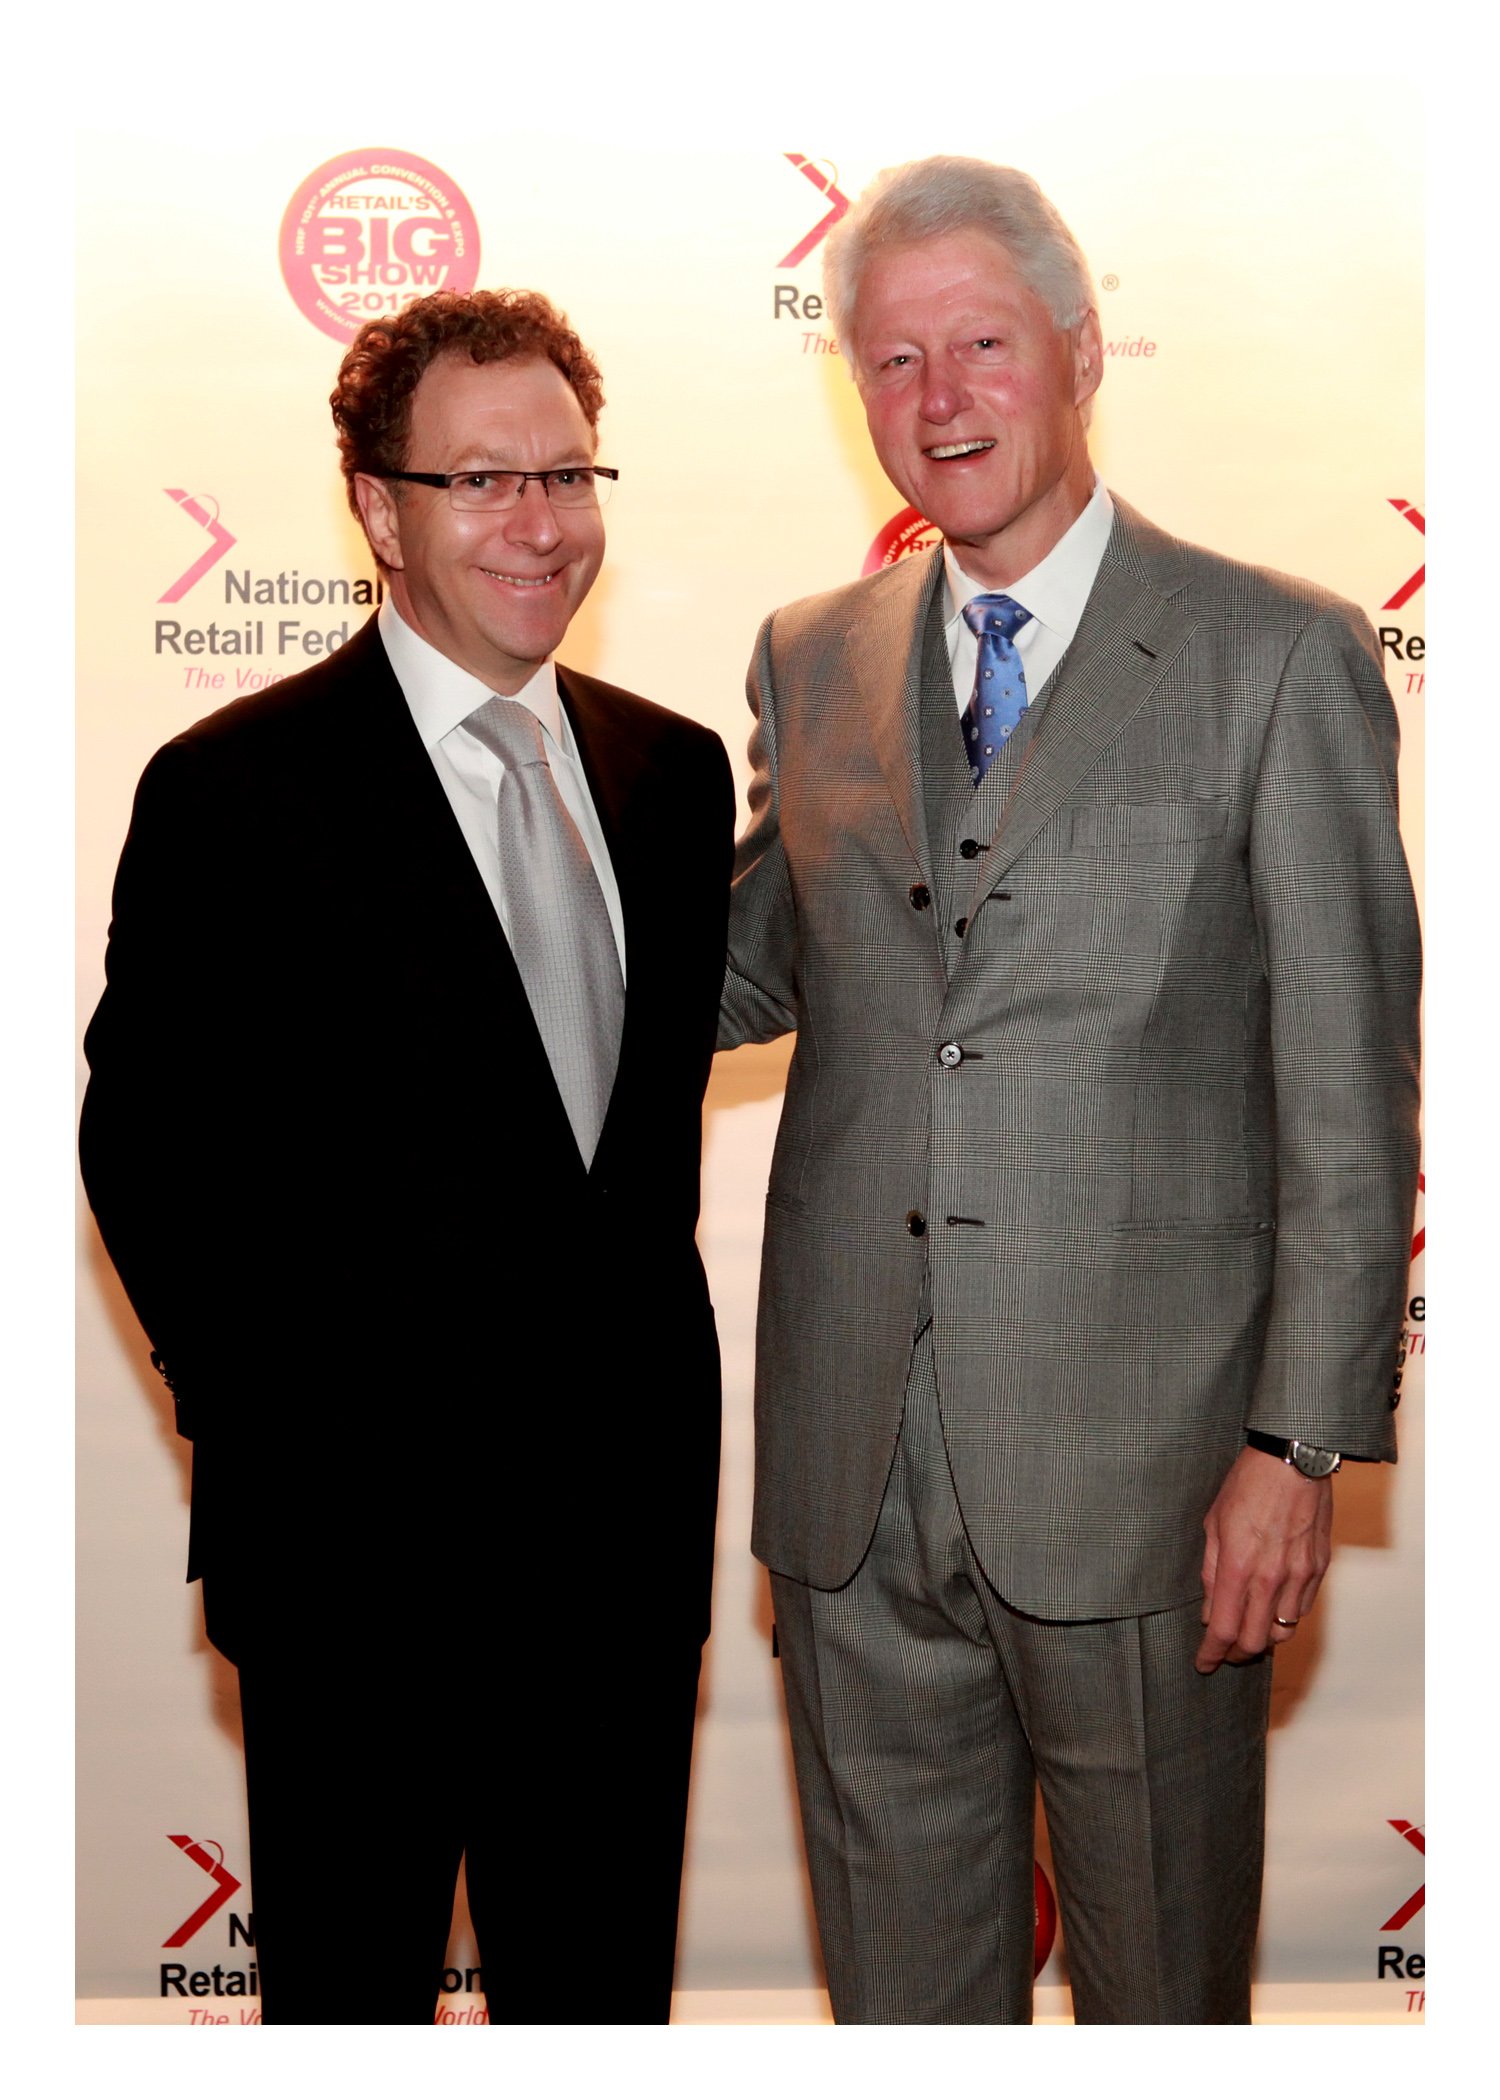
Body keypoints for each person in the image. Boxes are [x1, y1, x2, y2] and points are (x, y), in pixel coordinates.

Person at [720, 157, 1421, 2024]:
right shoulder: (812, 655)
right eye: (890, 362)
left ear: (1083, 350)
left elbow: (1350, 1092)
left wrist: (1299, 1448)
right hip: (853, 1464)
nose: (937, 399)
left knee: (1164, 2004)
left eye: (981, 345)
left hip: (1157, 1476)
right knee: (901, 2009)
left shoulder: (1280, 655)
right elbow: (739, 971)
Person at [81, 288, 733, 2025]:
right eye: (481, 482)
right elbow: (144, 1146)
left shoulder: (670, 779)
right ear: (377, 508)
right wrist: (277, 1427)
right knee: (349, 2017)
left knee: (601, 2009)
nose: (543, 523)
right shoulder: (234, 788)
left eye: (568, 474)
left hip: (615, 1560)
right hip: (352, 1567)